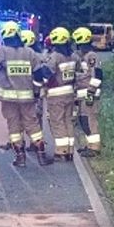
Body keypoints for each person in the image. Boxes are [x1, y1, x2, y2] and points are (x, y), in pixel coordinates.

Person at [0, 21, 51, 167]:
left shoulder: (1, 52)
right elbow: (39, 75)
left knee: (13, 126)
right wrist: (35, 92)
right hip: (27, 98)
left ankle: (20, 158)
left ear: (4, 35)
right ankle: (41, 156)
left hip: (8, 98)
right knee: (32, 124)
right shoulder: (29, 52)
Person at [43, 27, 80, 161]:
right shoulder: (73, 56)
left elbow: (46, 74)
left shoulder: (55, 56)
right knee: (68, 121)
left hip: (56, 95)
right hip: (69, 93)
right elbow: (78, 73)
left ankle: (61, 151)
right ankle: (69, 151)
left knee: (57, 122)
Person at [72, 26, 104, 156]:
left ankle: (95, 148)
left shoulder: (91, 56)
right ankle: (89, 145)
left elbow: (97, 75)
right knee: (84, 120)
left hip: (89, 94)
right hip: (82, 95)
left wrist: (91, 92)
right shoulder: (82, 56)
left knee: (90, 120)